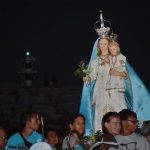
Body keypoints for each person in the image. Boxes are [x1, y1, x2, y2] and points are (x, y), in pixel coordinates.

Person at [81, 12, 127, 132]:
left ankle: (120, 134)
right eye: (100, 44)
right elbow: (92, 75)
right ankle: (100, 135)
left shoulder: (117, 58)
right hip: (101, 90)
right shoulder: (96, 61)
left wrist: (116, 73)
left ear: (109, 44)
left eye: (105, 43)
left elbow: (125, 73)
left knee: (117, 111)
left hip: (115, 89)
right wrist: (87, 78)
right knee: (101, 113)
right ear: (98, 45)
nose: (103, 46)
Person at [106, 40, 127, 111]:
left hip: (119, 84)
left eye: (114, 49)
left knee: (120, 102)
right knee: (112, 102)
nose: (112, 51)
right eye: (111, 49)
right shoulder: (109, 58)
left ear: (118, 49)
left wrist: (117, 73)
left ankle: (122, 116)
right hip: (110, 84)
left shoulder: (122, 57)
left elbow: (125, 73)